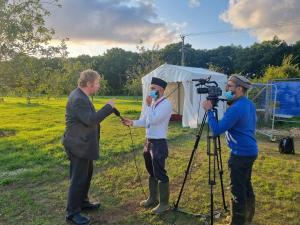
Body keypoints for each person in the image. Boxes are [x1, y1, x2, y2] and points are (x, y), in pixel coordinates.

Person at [202, 75, 258, 225]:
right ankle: (247, 218)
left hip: (240, 154)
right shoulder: (248, 104)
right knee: (245, 185)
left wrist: (209, 111)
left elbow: (217, 129)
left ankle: (237, 221)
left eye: (230, 86)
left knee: (237, 190)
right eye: (227, 86)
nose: (226, 89)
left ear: (240, 89)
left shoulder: (236, 108)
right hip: (250, 150)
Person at [62, 69, 115, 225]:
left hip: (83, 144)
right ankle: (72, 213)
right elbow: (91, 120)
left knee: (86, 175)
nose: (99, 86)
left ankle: (83, 202)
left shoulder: (81, 95)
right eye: (97, 83)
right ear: (90, 84)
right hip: (78, 145)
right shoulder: (78, 98)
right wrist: (108, 107)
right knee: (78, 179)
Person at [122, 77, 173, 214]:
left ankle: (164, 204)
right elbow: (146, 121)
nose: (150, 91)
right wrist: (132, 122)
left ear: (161, 89)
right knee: (151, 171)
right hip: (148, 141)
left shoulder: (166, 104)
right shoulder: (153, 103)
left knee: (160, 172)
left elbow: (155, 120)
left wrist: (149, 106)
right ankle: (153, 198)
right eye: (150, 88)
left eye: (153, 88)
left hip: (159, 143)